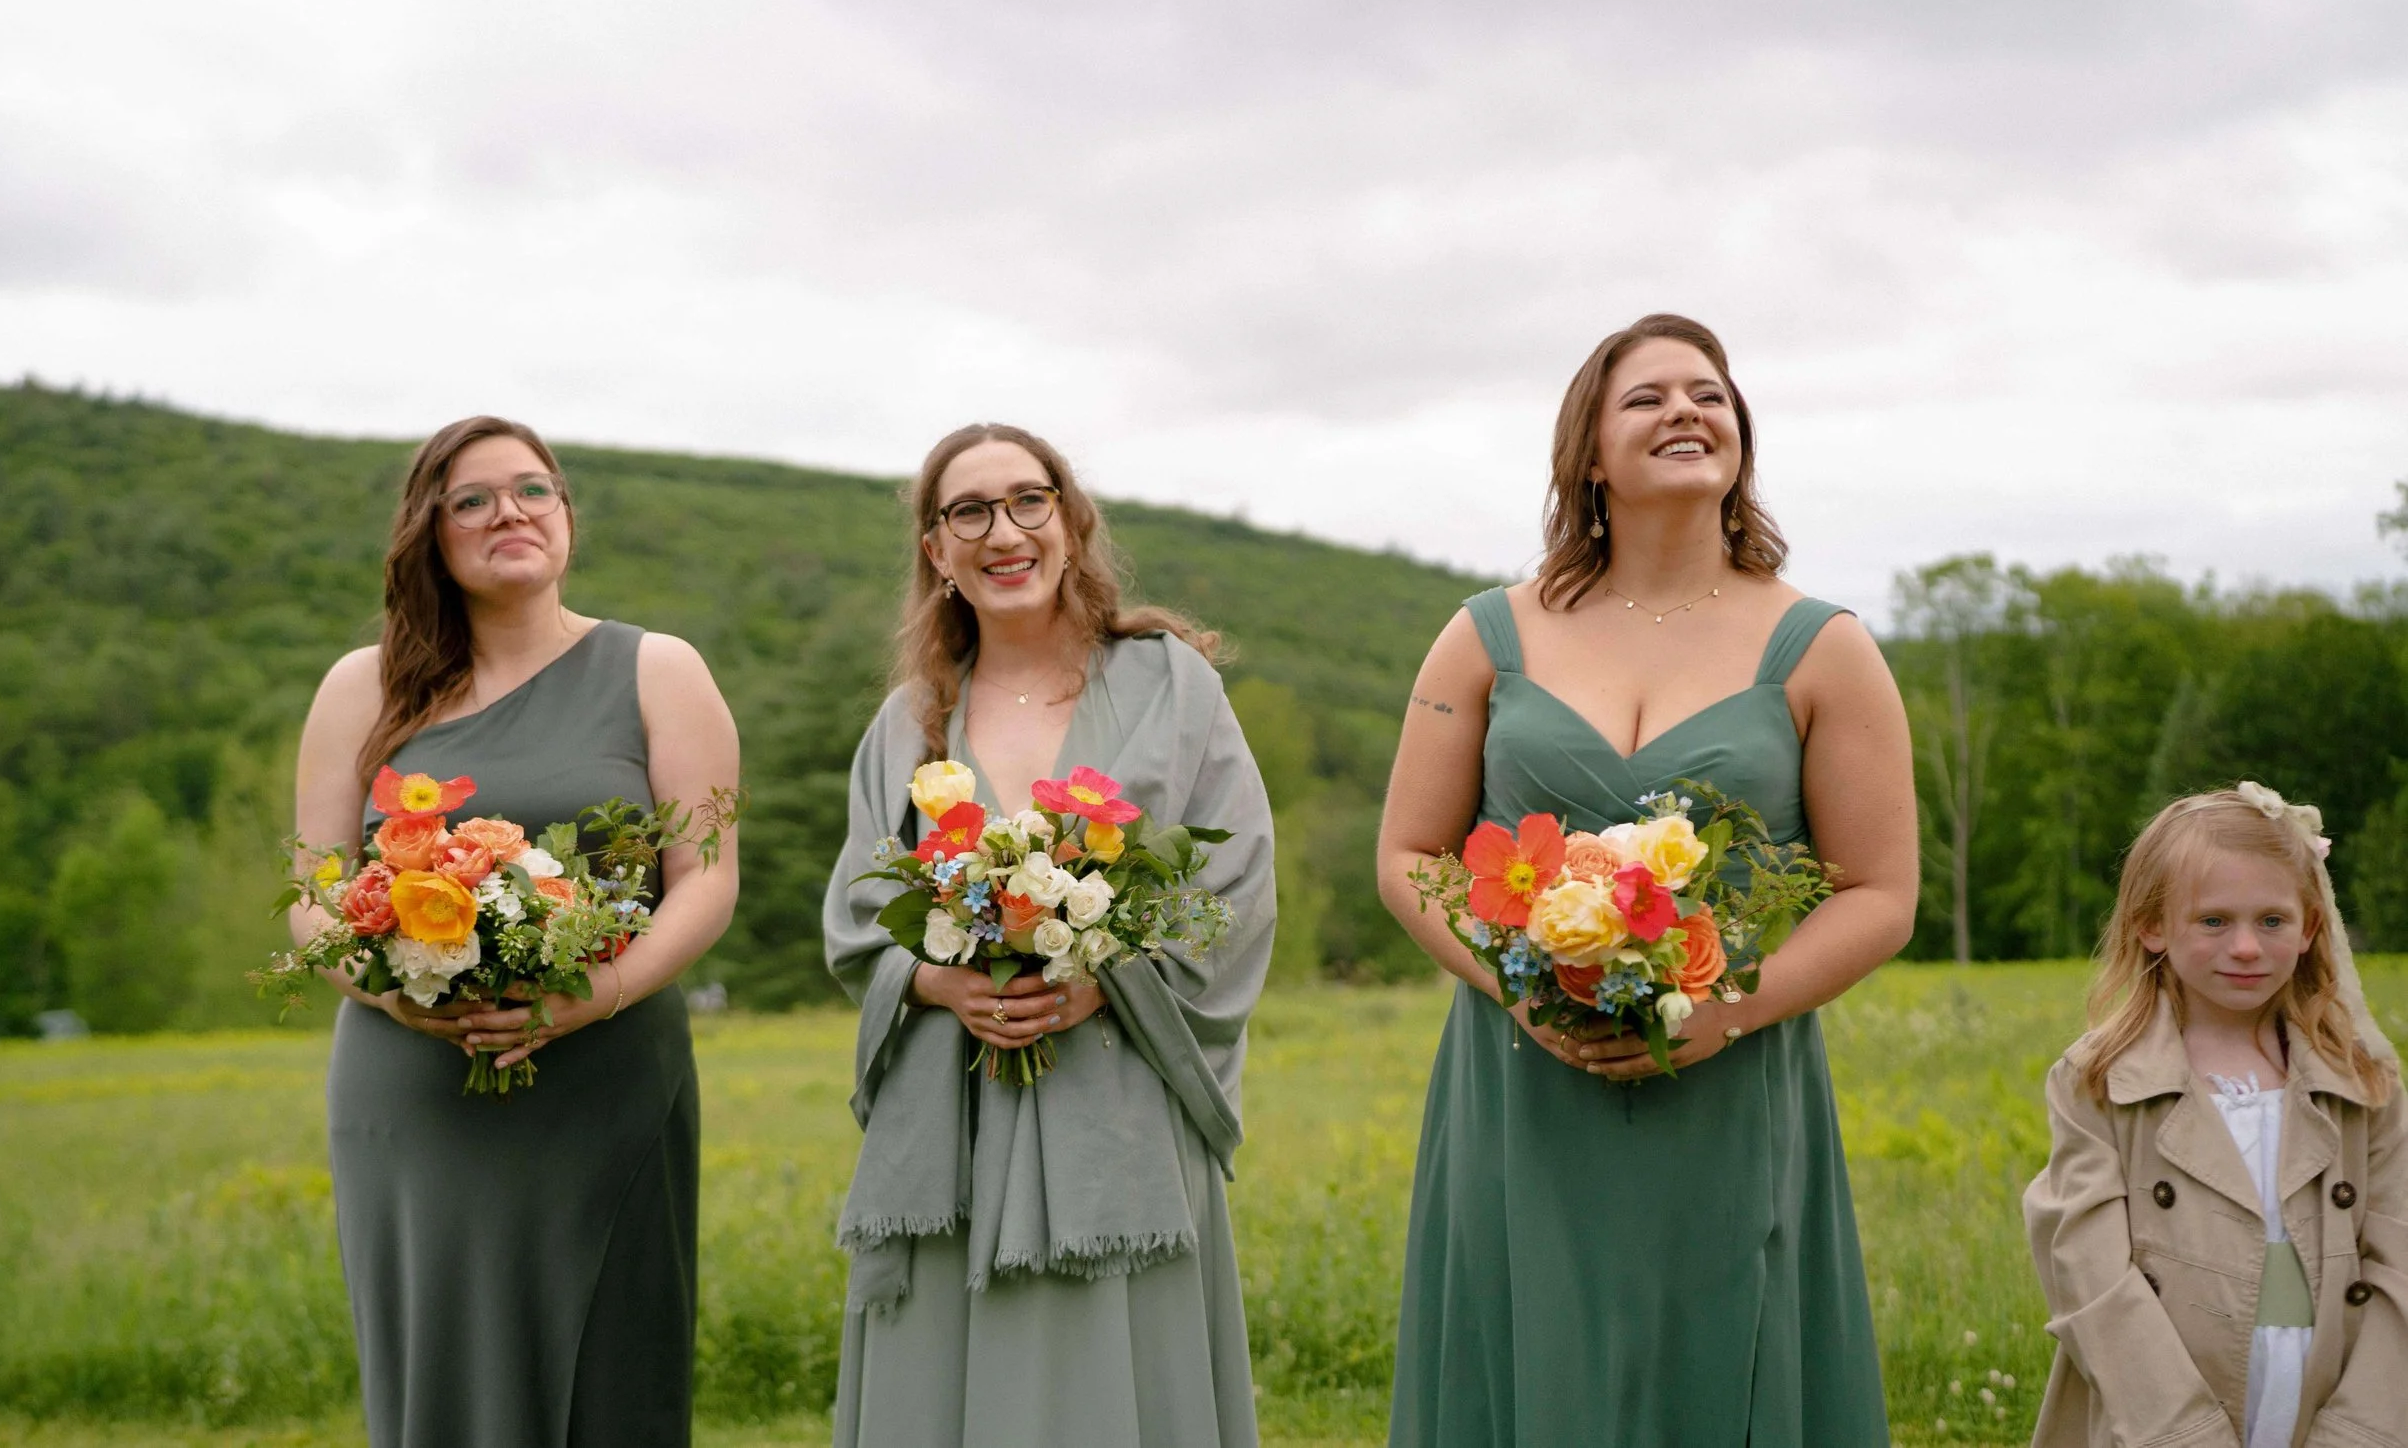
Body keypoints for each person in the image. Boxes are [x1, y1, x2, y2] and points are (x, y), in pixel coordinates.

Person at [1377, 313, 1918, 1446]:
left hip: (1725, 1081)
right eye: (1647, 397)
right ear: (1588, 451)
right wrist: (1522, 984)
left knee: (1722, 1349)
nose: (1685, 409)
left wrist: (1725, 1008)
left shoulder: (1822, 647)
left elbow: (1878, 891)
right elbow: (1409, 854)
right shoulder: (1484, 636)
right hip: (1522, 1077)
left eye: (1708, 392)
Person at [289, 415, 740, 1448]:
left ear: (566, 512)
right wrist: (392, 990)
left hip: (608, 1071)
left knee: (614, 1363)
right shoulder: (361, 686)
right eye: (475, 498)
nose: (512, 513)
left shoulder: (660, 669)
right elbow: (309, 887)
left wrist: (594, 994)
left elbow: (706, 883)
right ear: (430, 532)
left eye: (534, 489)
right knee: (442, 1364)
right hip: (413, 1081)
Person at [822, 423, 1275, 1448]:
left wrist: (1105, 982)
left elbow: (1235, 883)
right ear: (936, 551)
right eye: (968, 511)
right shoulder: (909, 723)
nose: (1004, 530)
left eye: (1028, 500)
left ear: (1071, 523)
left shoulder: (1170, 685)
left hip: (1118, 1081)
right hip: (952, 1108)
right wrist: (940, 986)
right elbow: (856, 912)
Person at [2023, 783, 2405, 1448]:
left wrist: (2362, 1428)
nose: (2248, 947)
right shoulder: (2101, 1080)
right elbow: (2087, 1269)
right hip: (2155, 1413)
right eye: (2213, 920)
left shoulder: (2361, 1078)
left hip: (2327, 1395)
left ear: (2311, 925)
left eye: (2272, 920)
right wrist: (2182, 1432)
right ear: (2152, 926)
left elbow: (2400, 1254)